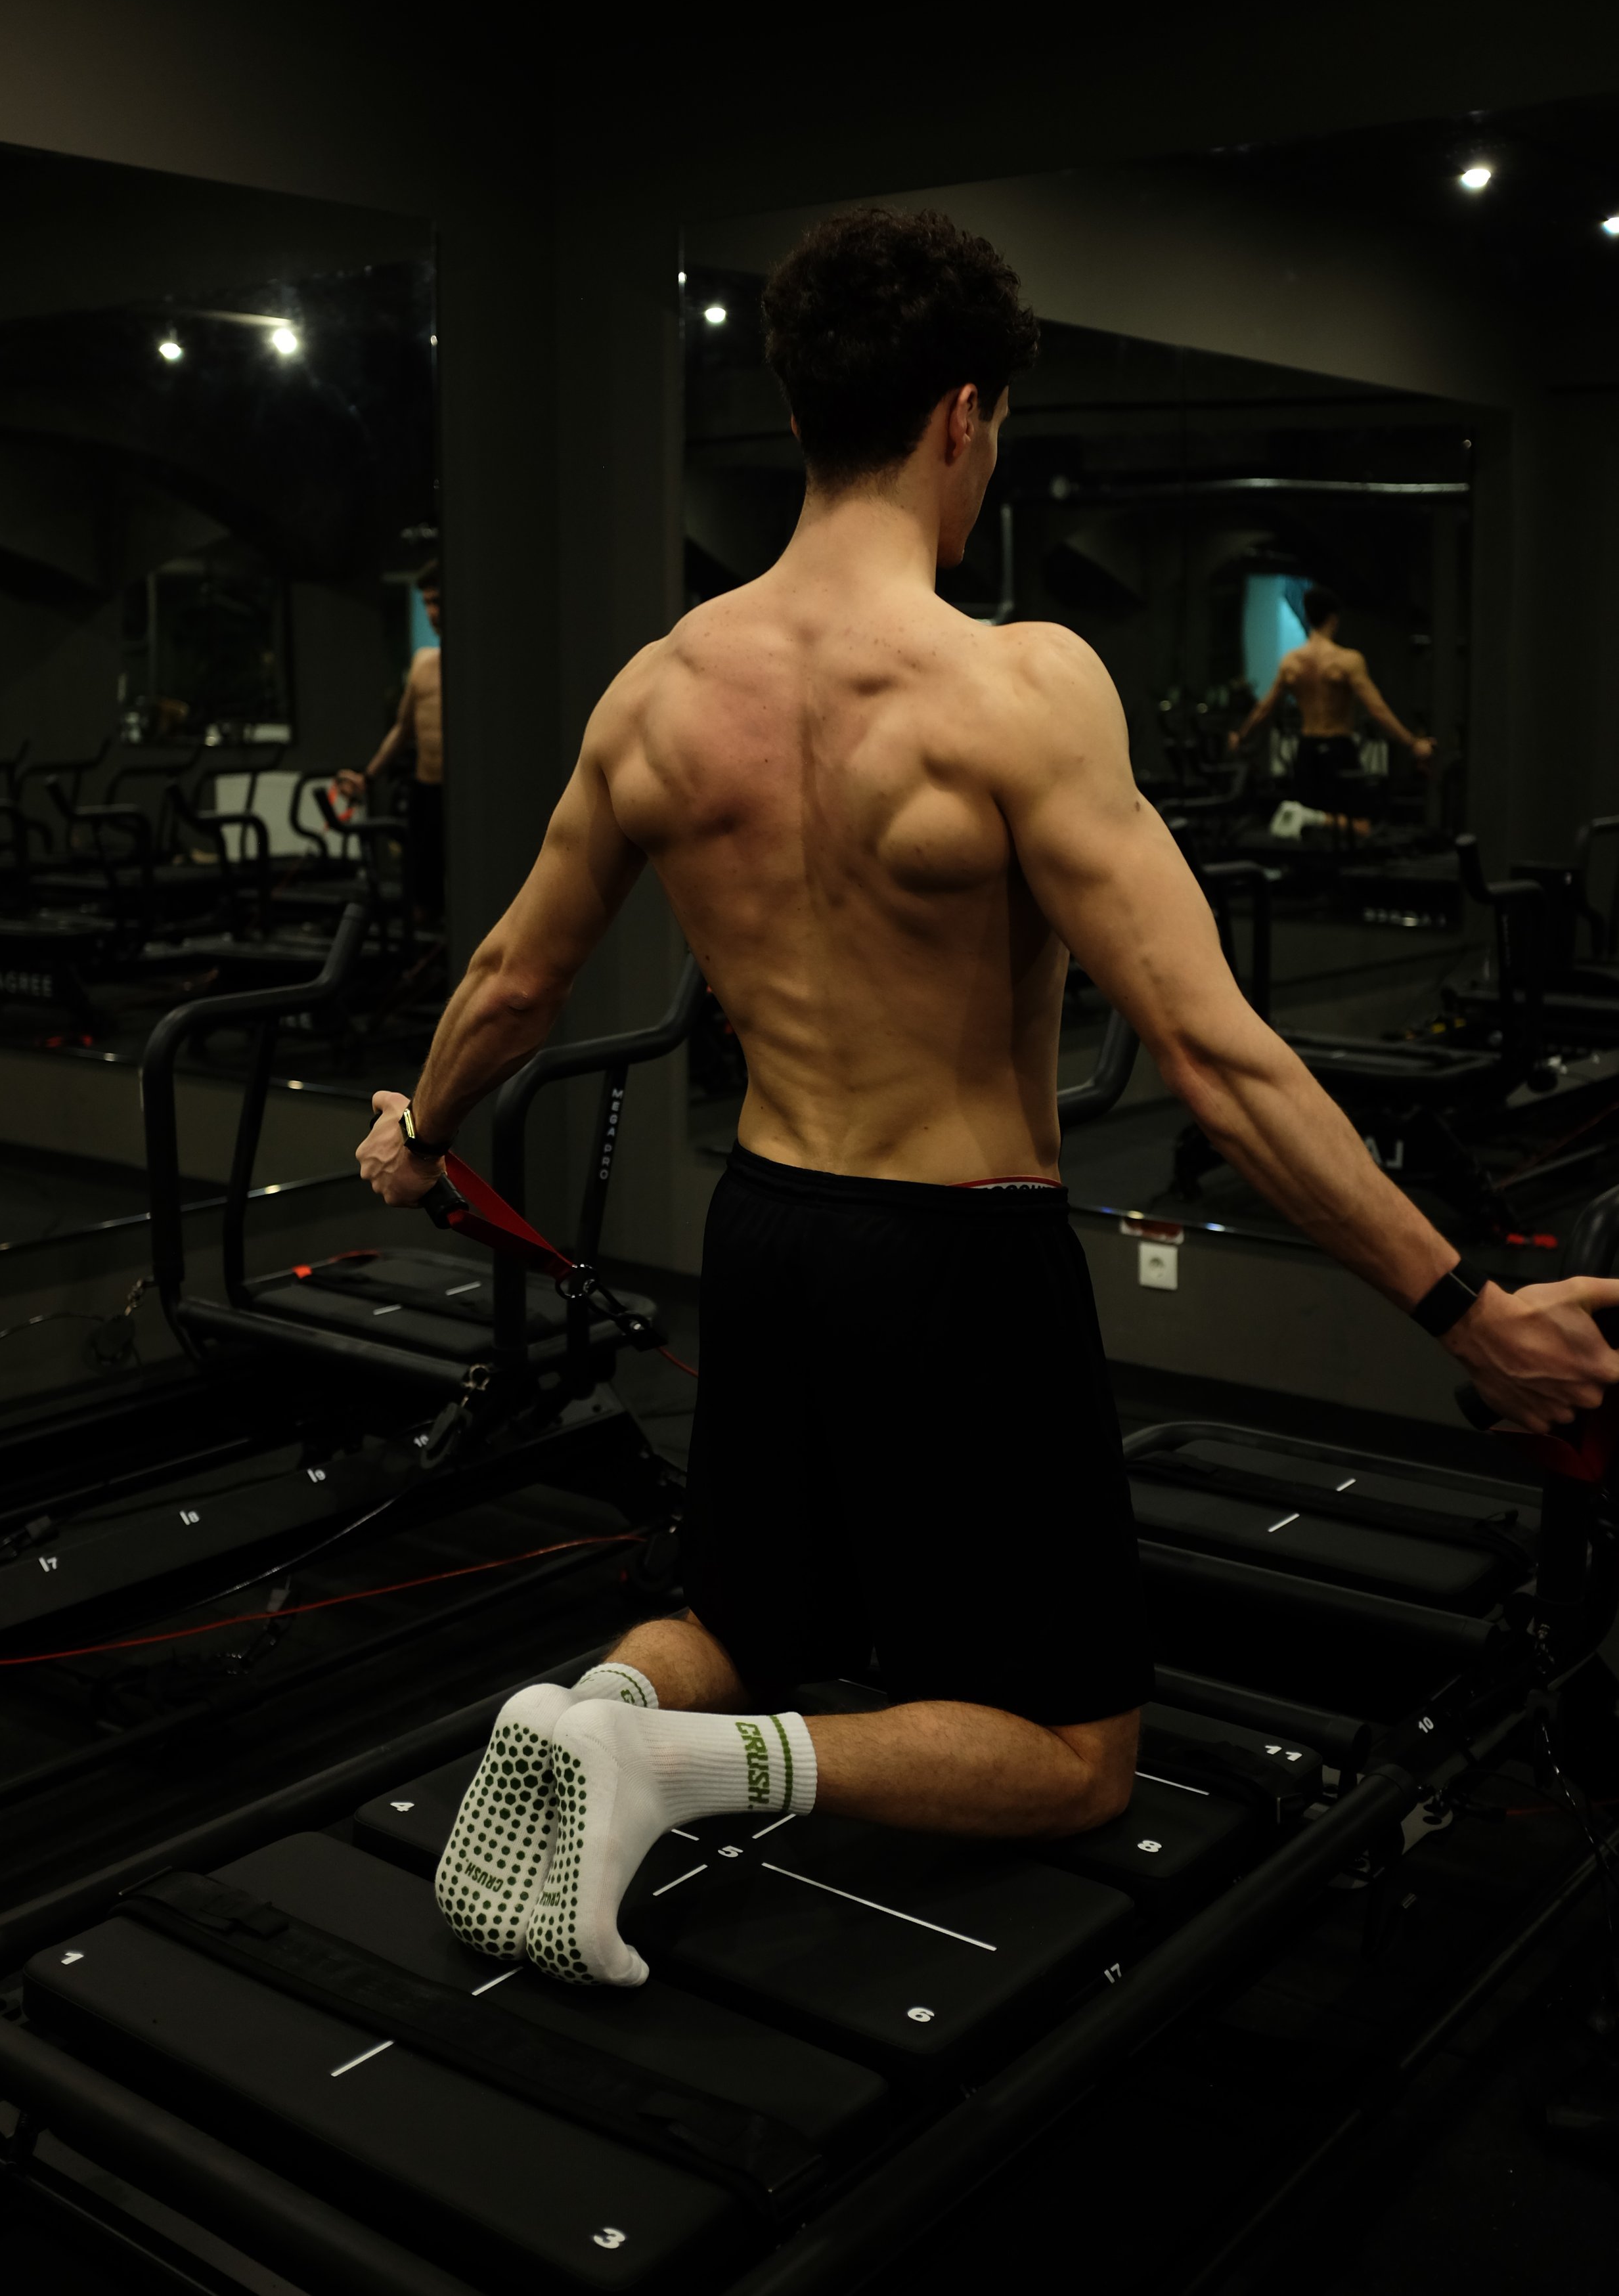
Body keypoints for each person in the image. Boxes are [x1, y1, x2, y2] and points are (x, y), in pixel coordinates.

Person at [355, 208, 1619, 1991]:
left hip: (769, 1228)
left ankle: (603, 1706)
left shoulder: (656, 692)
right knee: (1071, 1754)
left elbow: (510, 977)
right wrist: (1464, 1311)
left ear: (803, 409)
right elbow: (1214, 1057)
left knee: (738, 1613)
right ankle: (671, 1759)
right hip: (956, 1259)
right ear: (964, 416)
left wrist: (415, 1128)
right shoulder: (1013, 689)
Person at [1229, 584, 1434, 828]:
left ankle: (1312, 819)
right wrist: (1412, 743)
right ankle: (1317, 820)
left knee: (1309, 830)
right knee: (1361, 826)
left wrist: (1241, 736)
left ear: (1309, 618)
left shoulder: (1291, 662)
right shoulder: (1348, 661)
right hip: (1338, 749)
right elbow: (1377, 709)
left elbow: (1265, 709)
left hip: (1307, 751)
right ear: (1334, 619)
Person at [338, 561, 445, 920]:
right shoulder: (423, 664)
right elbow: (403, 730)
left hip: (462, 801)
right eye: (428, 603)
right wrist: (366, 778)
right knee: (420, 895)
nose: (433, 612)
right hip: (425, 792)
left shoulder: (479, 667)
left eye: (440, 602)